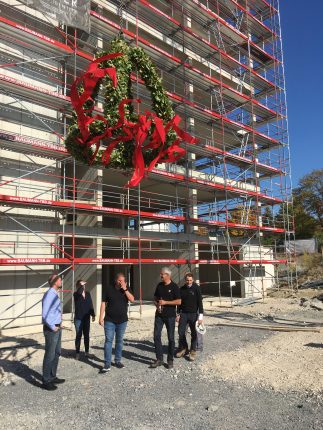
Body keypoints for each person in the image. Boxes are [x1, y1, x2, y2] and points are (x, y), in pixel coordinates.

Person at [99, 273, 134, 373]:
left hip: (122, 321)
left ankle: (117, 361)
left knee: (119, 341)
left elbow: (132, 299)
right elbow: (103, 303)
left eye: (122, 281)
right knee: (108, 341)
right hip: (109, 320)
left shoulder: (126, 289)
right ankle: (107, 363)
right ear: (116, 280)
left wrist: (125, 289)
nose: (121, 282)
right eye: (119, 280)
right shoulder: (108, 289)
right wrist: (100, 317)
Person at [150, 267, 181, 370]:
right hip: (159, 316)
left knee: (171, 339)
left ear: (167, 275)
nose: (161, 276)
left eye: (162, 274)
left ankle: (170, 360)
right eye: (161, 274)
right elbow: (155, 298)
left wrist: (166, 302)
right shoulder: (159, 285)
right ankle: (159, 359)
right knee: (156, 336)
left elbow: (179, 302)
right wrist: (157, 305)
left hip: (170, 316)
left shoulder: (174, 286)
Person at [41, 274, 65, 390]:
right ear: (55, 282)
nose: (61, 281)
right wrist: (52, 326)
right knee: (49, 355)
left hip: (57, 327)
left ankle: (52, 376)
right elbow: (44, 314)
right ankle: (46, 381)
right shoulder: (49, 294)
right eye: (60, 279)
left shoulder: (55, 293)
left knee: (57, 353)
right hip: (51, 329)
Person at [175, 272, 204, 362]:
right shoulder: (181, 289)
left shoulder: (196, 288)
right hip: (183, 314)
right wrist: (178, 314)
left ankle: (193, 351)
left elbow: (200, 303)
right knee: (180, 332)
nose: (189, 282)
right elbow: (179, 303)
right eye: (187, 280)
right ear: (185, 280)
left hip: (193, 314)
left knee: (194, 334)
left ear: (193, 280)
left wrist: (200, 317)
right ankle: (184, 348)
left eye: (190, 280)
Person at [73, 279, 95, 360]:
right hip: (78, 318)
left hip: (86, 318)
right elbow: (79, 292)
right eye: (82, 285)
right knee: (78, 336)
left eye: (84, 285)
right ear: (78, 286)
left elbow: (90, 304)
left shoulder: (88, 293)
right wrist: (80, 286)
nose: (84, 286)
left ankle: (86, 352)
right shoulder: (76, 294)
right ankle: (77, 353)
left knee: (86, 335)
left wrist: (93, 314)